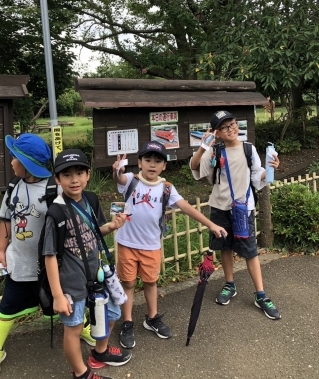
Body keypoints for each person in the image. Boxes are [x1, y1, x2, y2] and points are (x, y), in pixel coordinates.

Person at [112, 141, 227, 349]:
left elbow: (186, 208)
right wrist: (117, 170)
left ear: (164, 166)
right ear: (139, 163)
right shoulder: (131, 180)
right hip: (127, 243)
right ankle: (127, 322)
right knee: (128, 283)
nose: (152, 165)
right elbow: (118, 178)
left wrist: (211, 224)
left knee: (150, 282)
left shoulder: (167, 188)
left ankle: (152, 318)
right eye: (148, 160)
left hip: (151, 245)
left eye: (157, 161)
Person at [42, 149, 131, 379]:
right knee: (74, 329)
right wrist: (58, 295)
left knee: (112, 312)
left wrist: (111, 227)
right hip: (71, 282)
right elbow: (49, 255)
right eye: (67, 174)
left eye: (79, 172)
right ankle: (81, 373)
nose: (74, 179)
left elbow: (94, 231)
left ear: (88, 174)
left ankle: (99, 353)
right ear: (57, 179)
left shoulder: (90, 199)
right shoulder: (56, 213)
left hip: (98, 274)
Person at [190, 110, 281, 320]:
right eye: (225, 127)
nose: (231, 129)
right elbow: (196, 169)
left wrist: (270, 170)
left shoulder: (248, 149)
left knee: (250, 251)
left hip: (243, 208)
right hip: (220, 207)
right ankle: (229, 284)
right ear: (218, 132)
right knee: (225, 247)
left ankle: (261, 294)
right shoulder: (215, 151)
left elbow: (258, 175)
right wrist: (205, 145)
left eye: (233, 124)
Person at [0, 133, 54, 379]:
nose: (11, 161)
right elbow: (6, 221)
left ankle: (84, 327)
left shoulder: (54, 190)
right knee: (7, 307)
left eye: (15, 157)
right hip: (18, 263)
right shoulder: (14, 186)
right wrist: (1, 250)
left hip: (48, 267)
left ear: (27, 163)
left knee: (62, 302)